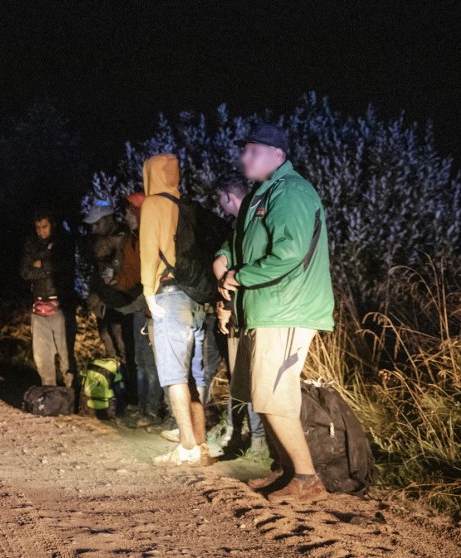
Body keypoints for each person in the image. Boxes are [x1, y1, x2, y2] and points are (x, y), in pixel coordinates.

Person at [214, 123, 335, 503]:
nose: (244, 157)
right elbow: (242, 243)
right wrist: (225, 258)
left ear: (278, 155)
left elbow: (289, 253)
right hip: (266, 308)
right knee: (261, 393)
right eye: (244, 150)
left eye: (253, 150)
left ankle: (307, 478)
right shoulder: (261, 194)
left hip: (287, 307)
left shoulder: (292, 191)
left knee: (275, 394)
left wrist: (239, 275)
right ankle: (287, 472)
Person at [139, 153, 213, 466]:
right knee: (195, 377)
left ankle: (186, 447)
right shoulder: (187, 206)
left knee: (174, 375)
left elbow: (148, 252)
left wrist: (147, 293)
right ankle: (201, 443)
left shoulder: (153, 205)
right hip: (195, 298)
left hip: (168, 296)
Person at [213, 173, 266, 456]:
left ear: (227, 197)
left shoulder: (252, 219)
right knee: (245, 378)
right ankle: (251, 438)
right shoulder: (247, 222)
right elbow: (224, 259)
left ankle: (257, 439)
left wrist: (227, 303)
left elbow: (227, 264)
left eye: (219, 199)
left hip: (256, 312)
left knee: (251, 378)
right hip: (249, 310)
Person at [117, 193, 162, 426]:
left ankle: (152, 410)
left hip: (152, 306)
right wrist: (115, 281)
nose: (126, 215)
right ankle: (144, 408)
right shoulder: (132, 240)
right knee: (140, 360)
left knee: (151, 362)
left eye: (130, 211)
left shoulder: (152, 238)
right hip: (140, 306)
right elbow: (131, 276)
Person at [20, 209, 75, 387]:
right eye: (38, 227)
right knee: (42, 357)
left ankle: (72, 394)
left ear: (52, 225)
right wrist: (46, 265)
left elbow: (63, 266)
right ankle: (49, 393)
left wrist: (41, 264)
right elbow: (25, 271)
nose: (41, 231)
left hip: (59, 307)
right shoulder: (31, 243)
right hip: (38, 307)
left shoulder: (62, 241)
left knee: (66, 355)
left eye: (44, 227)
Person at [83, 201, 132, 363]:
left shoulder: (123, 239)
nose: (93, 229)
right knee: (107, 336)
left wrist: (99, 295)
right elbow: (100, 273)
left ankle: (130, 383)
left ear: (108, 219)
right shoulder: (99, 242)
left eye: (96, 224)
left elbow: (122, 276)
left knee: (121, 338)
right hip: (107, 302)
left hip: (122, 303)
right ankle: (119, 381)